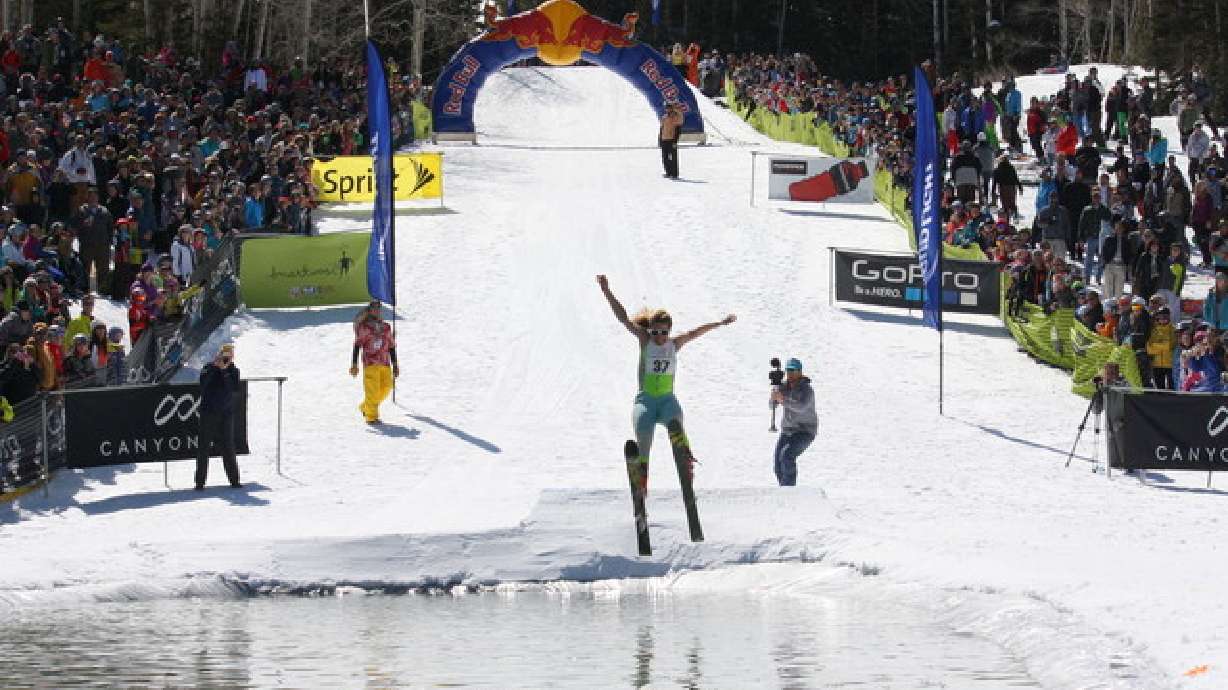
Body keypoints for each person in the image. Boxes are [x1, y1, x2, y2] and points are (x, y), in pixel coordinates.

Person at [597, 274, 735, 495]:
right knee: (643, 433)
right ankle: (642, 476)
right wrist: (607, 291)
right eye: (655, 332)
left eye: (664, 332)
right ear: (650, 331)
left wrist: (720, 323)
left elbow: (696, 332)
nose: (660, 336)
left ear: (669, 331)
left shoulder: (674, 344)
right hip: (646, 401)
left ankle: (685, 459)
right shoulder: (644, 340)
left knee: (676, 420)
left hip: (667, 400)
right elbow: (623, 318)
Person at [194, 343, 241, 490]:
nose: (226, 358)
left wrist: (225, 371)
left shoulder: (234, 371)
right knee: (203, 448)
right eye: (224, 355)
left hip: (225, 414)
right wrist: (216, 368)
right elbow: (203, 385)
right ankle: (200, 482)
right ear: (218, 354)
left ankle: (234, 480)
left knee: (228, 448)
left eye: (229, 356)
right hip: (208, 413)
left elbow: (233, 388)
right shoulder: (208, 368)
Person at [350, 300, 399, 424]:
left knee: (387, 387)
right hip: (370, 362)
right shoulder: (364, 327)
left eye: (379, 308)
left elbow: (392, 346)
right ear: (369, 310)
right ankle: (371, 417)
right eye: (374, 308)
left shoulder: (386, 327)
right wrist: (354, 364)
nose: (377, 311)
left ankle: (365, 406)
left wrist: (395, 364)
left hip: (385, 362)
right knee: (372, 391)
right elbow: (357, 345)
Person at [770, 358, 817, 487]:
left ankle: (789, 491)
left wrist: (782, 399)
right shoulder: (784, 387)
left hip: (804, 431)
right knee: (777, 465)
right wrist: (774, 395)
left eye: (793, 370)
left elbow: (801, 407)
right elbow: (772, 405)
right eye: (788, 370)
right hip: (787, 431)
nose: (790, 374)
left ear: (800, 372)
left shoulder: (806, 390)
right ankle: (785, 489)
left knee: (786, 457)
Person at [658, 104, 684, 179]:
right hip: (664, 139)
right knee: (665, 157)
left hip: (672, 139)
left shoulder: (676, 117)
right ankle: (668, 172)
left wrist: (675, 141)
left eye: (669, 108)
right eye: (666, 108)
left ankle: (674, 174)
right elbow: (662, 129)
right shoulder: (664, 117)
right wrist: (660, 139)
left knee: (673, 157)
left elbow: (678, 130)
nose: (667, 110)